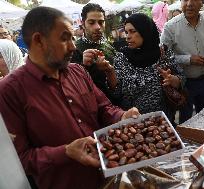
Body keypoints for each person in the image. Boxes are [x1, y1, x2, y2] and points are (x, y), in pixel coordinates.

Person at [0, 6, 139, 189]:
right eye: (65, 39)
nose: (73, 46)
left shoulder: (78, 71)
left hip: (109, 177)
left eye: (73, 38)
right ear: (39, 41)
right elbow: (20, 159)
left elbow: (104, 107)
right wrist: (65, 152)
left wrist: (122, 116)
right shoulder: (9, 90)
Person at [108, 13, 184, 121]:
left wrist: (172, 80)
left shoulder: (163, 53)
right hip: (135, 123)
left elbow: (182, 78)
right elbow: (116, 93)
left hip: (164, 120)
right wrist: (109, 72)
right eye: (126, 32)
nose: (128, 36)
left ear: (145, 31)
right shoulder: (122, 57)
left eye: (133, 31)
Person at [161, 0, 204, 123]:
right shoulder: (170, 26)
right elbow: (163, 57)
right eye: (185, 0)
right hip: (184, 84)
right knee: (186, 121)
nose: (189, 4)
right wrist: (188, 59)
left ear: (202, 2)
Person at [71, 3, 119, 105]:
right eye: (91, 22)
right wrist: (84, 66)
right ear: (83, 24)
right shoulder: (74, 49)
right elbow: (72, 85)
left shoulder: (109, 45)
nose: (97, 27)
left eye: (101, 22)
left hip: (116, 104)